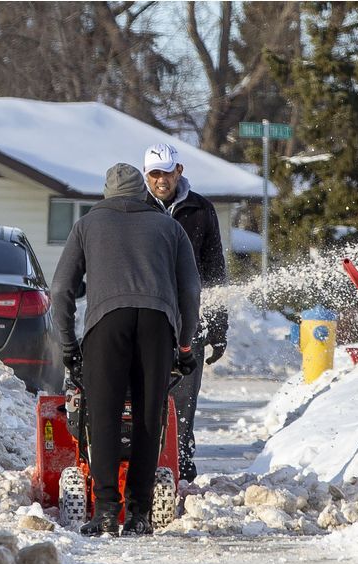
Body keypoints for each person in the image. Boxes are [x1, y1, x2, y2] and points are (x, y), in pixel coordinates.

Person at [52, 163, 200, 537]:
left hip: (106, 324)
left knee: (103, 413)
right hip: (157, 325)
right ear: (142, 192)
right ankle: (139, 514)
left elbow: (60, 291)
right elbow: (190, 292)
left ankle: (104, 511)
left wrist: (69, 345)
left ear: (106, 192)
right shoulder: (171, 227)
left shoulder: (86, 225)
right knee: (150, 417)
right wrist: (184, 347)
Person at [143, 142, 228, 482]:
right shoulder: (137, 208)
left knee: (183, 397)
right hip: (147, 315)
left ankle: (181, 461)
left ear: (179, 171)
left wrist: (219, 326)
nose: (161, 180)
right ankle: (145, 456)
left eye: (167, 172)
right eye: (155, 173)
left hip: (190, 319)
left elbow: (215, 269)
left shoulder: (200, 209)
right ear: (146, 175)